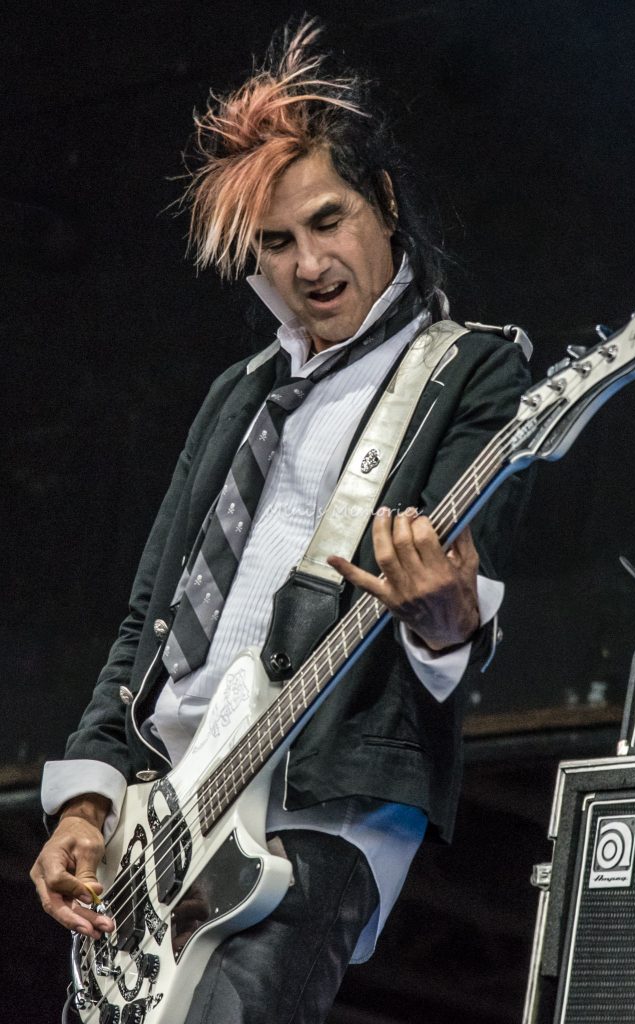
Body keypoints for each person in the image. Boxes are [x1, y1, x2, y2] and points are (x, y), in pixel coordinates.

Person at [30, 20, 531, 1024]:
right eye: (278, 242)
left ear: (384, 201)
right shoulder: (239, 394)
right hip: (165, 818)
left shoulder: (468, 370)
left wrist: (447, 623)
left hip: (317, 811)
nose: (310, 263)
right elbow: (148, 620)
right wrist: (87, 799)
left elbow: (451, 610)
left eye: (329, 221)